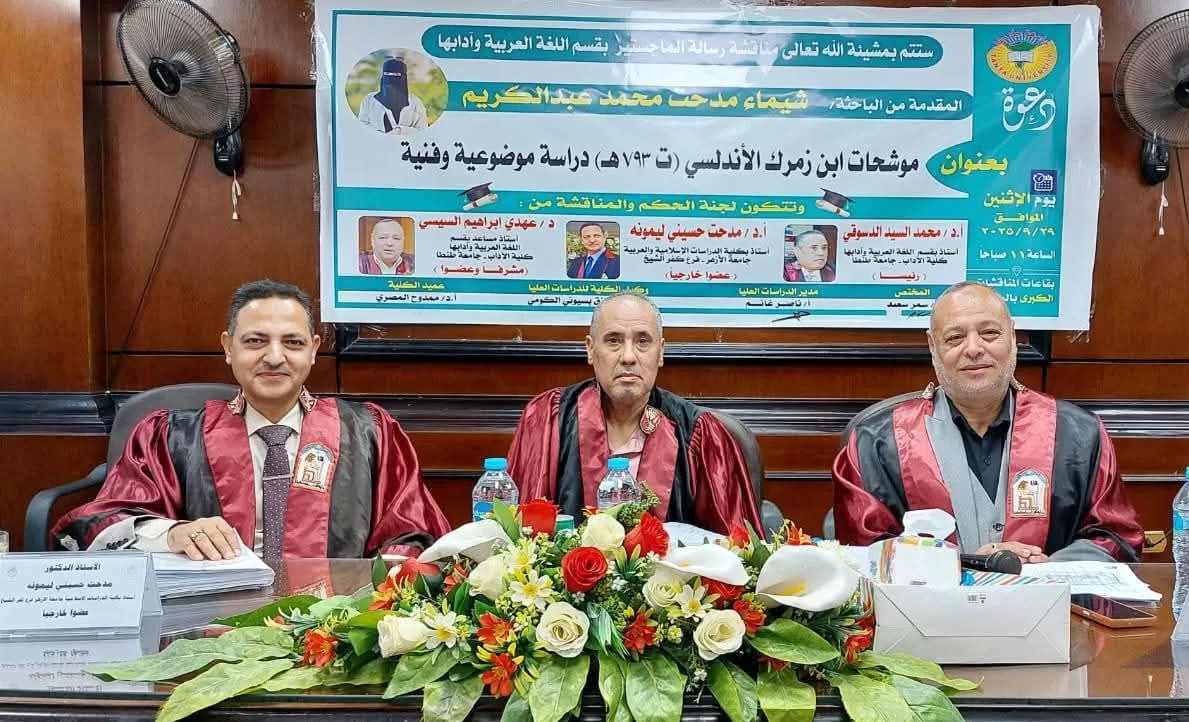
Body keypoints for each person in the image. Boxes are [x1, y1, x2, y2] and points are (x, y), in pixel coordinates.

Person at [52, 280, 451, 561]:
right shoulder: (173, 436)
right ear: (228, 347)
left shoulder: (368, 432)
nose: (274, 357)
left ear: (314, 350)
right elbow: (102, 521)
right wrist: (172, 534)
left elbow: (412, 532)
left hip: (333, 627)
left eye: (292, 342)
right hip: (209, 625)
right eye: (255, 341)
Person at [832, 281, 1142, 562]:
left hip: (1051, 602)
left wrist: (1045, 570)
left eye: (989, 333)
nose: (974, 349)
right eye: (955, 337)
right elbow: (861, 553)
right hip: (929, 606)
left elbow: (1116, 537)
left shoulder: (1079, 435)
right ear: (933, 346)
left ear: (1013, 337)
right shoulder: (877, 442)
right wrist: (964, 564)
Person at [506, 291, 761, 534]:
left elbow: (734, 548)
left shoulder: (699, 434)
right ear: (590, 349)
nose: (628, 357)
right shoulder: (549, 420)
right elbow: (520, 537)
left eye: (642, 341)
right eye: (614, 341)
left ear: (660, 352)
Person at [358, 57, 428, 135]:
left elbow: (423, 130)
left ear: (404, 77)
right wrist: (379, 134)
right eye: (387, 74)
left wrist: (400, 131)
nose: (390, 79)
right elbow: (362, 124)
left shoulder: (415, 103)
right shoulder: (369, 100)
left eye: (396, 75)